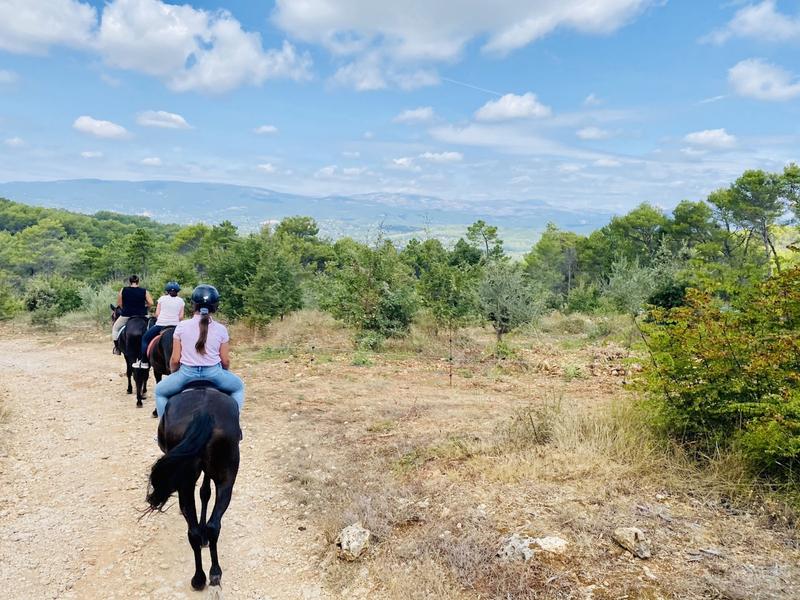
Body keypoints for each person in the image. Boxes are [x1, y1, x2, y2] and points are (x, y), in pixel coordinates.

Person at [154, 284, 245, 420]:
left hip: (186, 374)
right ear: (215, 306)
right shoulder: (221, 329)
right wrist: (224, 372)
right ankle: (234, 422)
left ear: (193, 305)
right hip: (214, 373)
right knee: (238, 387)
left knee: (159, 392)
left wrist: (175, 373)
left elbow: (175, 360)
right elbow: (225, 361)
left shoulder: (181, 327)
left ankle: (163, 426)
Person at [139, 281, 185, 368]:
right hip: (175, 326)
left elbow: (157, 314)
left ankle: (144, 361)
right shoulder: (181, 301)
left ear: (167, 291)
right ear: (177, 291)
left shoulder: (162, 299)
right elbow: (181, 317)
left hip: (160, 325)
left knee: (145, 339)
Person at [112, 275, 153, 355]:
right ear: (138, 281)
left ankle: (117, 348)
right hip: (142, 315)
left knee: (115, 328)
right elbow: (151, 303)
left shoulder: (123, 290)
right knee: (151, 327)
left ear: (129, 282)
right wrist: (145, 307)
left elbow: (119, 303)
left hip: (126, 315)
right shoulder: (144, 291)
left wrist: (126, 308)